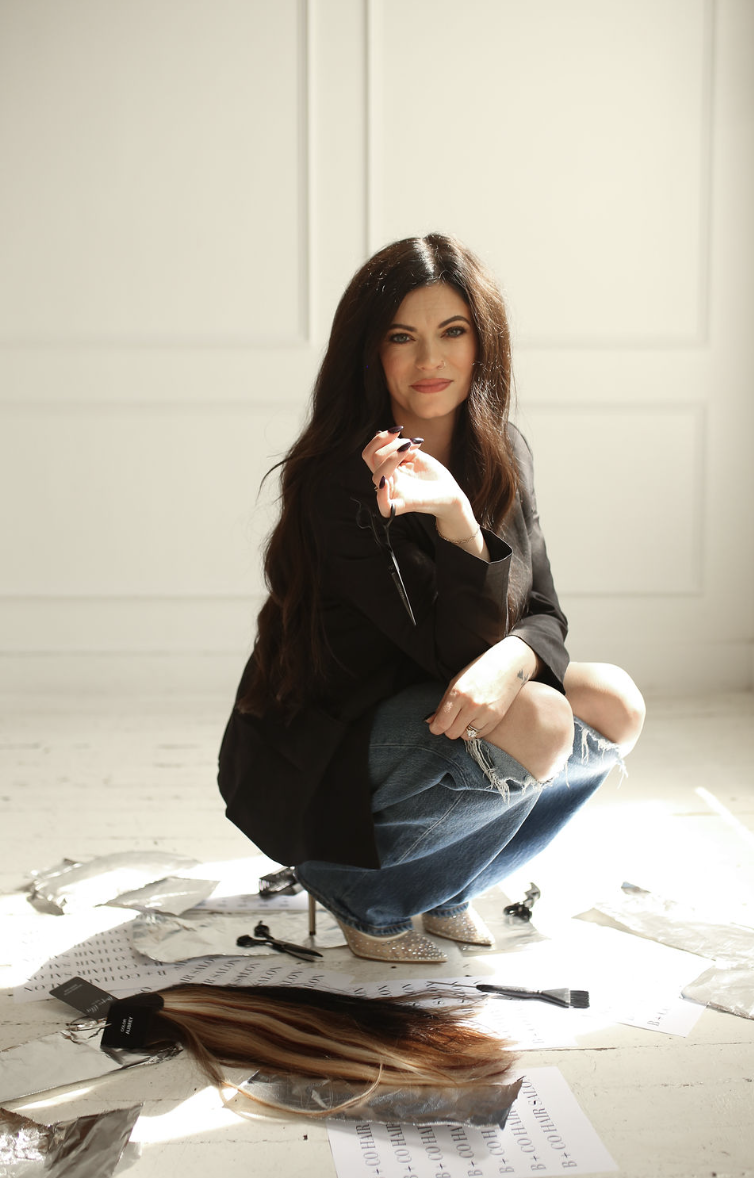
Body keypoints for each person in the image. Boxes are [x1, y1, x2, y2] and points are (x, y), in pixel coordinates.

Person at [218, 233, 645, 964]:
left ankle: (447, 886)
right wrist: (456, 524)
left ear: (484, 343)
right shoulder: (342, 479)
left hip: (435, 698)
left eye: (453, 332)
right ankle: (363, 892)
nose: (430, 362)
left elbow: (546, 613)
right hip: (331, 743)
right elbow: (445, 650)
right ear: (369, 352)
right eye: (401, 338)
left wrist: (511, 658)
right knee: (541, 719)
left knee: (612, 699)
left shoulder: (501, 447)